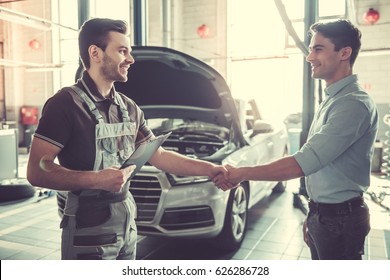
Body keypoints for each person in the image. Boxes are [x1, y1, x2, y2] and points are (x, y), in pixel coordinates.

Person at [27, 18, 228, 260]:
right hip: (88, 230)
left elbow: (159, 156)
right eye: (122, 51)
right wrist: (95, 179)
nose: (131, 59)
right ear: (95, 53)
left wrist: (211, 168)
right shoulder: (65, 104)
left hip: (127, 223)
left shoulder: (129, 108)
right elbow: (37, 171)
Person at [214, 19, 378, 260]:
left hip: (340, 220)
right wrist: (314, 215)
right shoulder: (333, 99)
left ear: (344, 53)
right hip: (326, 215)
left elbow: (303, 163)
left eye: (318, 49)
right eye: (311, 49)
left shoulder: (352, 104)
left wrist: (241, 173)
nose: (309, 57)